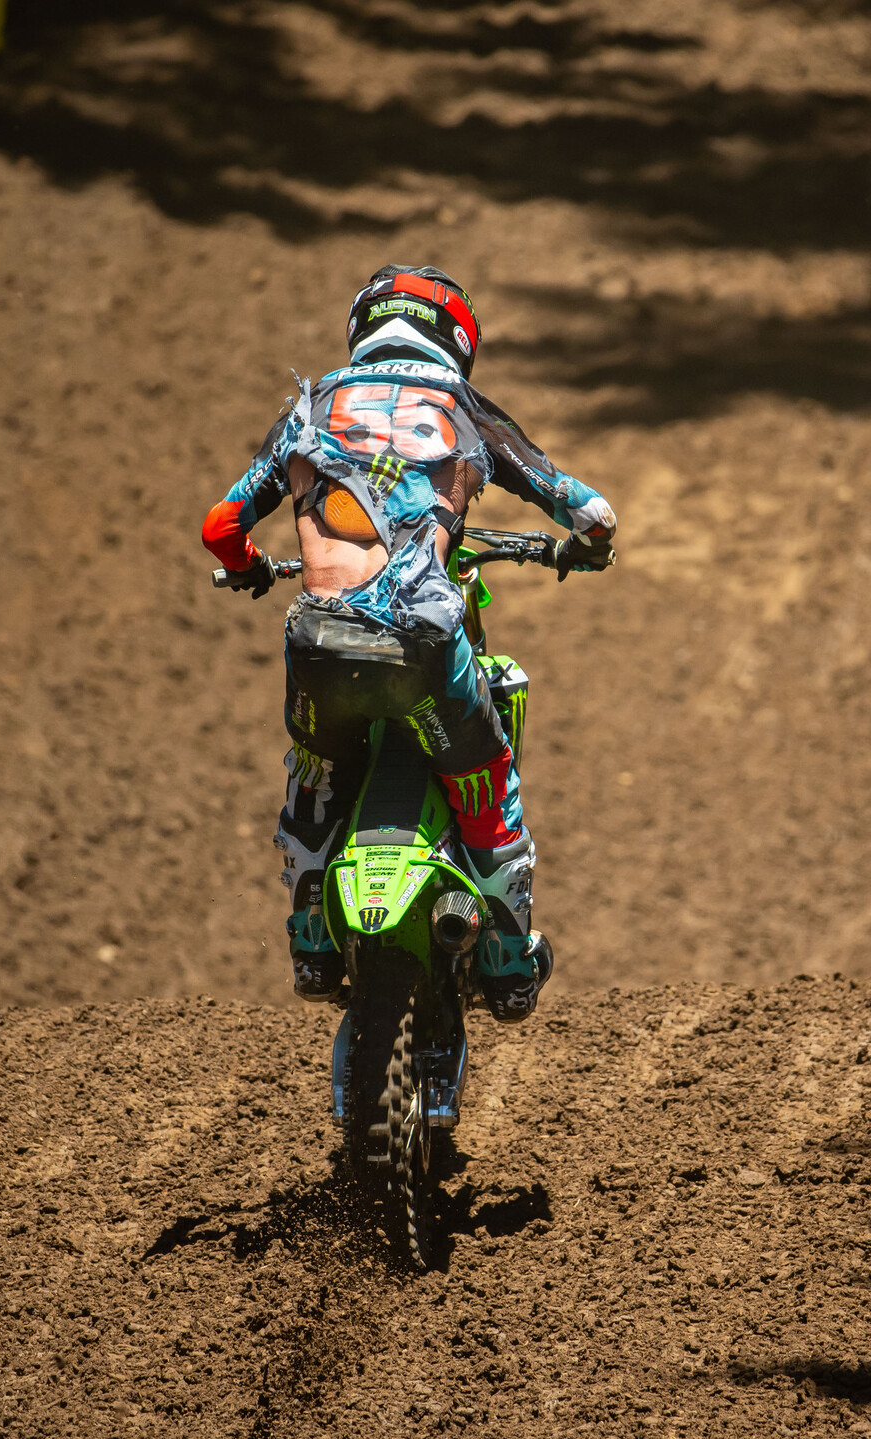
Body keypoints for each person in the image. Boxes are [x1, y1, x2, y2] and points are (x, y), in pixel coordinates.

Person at [200, 265, 616, 1021]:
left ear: (362, 328)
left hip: (320, 641)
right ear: (457, 338)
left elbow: (219, 527)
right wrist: (581, 549)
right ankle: (510, 956)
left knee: (315, 778)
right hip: (422, 643)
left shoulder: (311, 406)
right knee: (485, 776)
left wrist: (252, 568)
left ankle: (311, 944)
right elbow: (593, 513)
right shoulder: (460, 406)